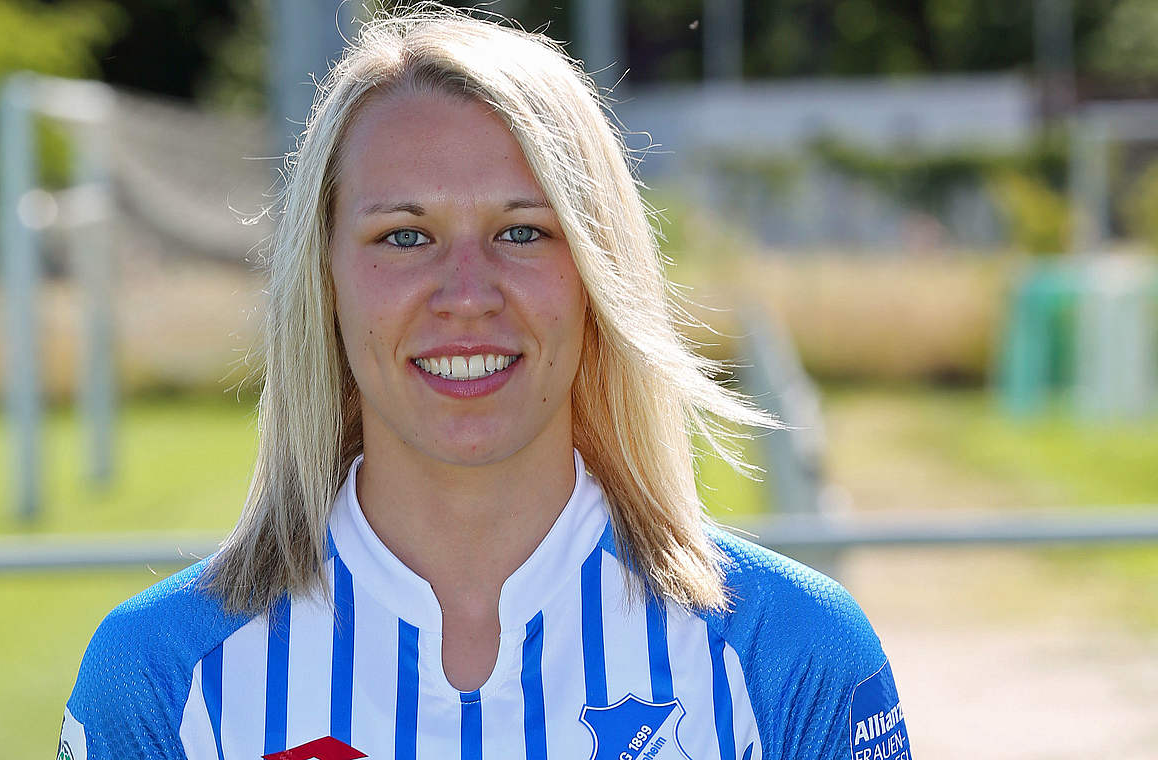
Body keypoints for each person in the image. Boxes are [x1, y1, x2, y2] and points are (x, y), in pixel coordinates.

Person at [59, 5, 911, 760]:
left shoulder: (788, 654)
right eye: (404, 236)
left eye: (523, 232)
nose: (466, 295)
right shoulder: (163, 677)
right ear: (323, 280)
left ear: (598, 272)